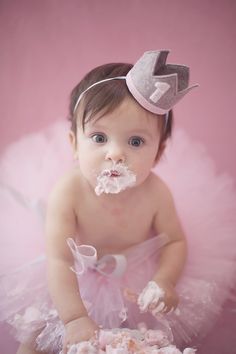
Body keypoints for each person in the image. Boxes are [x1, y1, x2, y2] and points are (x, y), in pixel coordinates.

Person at [1, 50, 236, 354]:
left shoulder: (156, 193)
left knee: (146, 339)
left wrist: (164, 281)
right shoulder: (69, 191)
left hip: (134, 278)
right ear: (74, 143)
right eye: (99, 138)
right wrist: (73, 318)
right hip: (72, 276)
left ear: (159, 152)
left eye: (135, 141)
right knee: (38, 336)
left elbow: (174, 241)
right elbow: (59, 258)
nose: (115, 153)